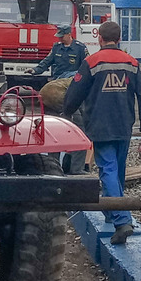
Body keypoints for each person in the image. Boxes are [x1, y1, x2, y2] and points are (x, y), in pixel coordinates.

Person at [63, 20, 141, 245]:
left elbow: (75, 93)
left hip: (100, 127)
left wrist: (66, 114)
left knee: (108, 171)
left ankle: (122, 220)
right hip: (124, 126)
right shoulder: (131, 63)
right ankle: (111, 211)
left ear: (100, 39)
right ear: (120, 39)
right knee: (118, 172)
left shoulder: (91, 62)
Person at [32, 25, 90, 173]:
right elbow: (47, 61)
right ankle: (53, 167)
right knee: (54, 130)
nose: (59, 39)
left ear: (69, 35)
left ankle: (76, 169)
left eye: (61, 36)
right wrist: (36, 70)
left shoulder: (80, 48)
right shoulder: (57, 48)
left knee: (79, 129)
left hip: (72, 91)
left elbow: (86, 68)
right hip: (55, 92)